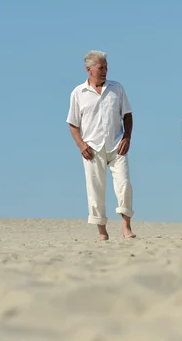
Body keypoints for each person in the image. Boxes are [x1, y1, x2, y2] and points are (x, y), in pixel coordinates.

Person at [66, 50, 135, 240]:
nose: (104, 71)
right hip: (92, 148)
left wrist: (127, 137)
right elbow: (73, 124)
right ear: (89, 69)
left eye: (106, 67)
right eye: (100, 67)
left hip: (116, 145)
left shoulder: (117, 88)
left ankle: (126, 226)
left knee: (124, 184)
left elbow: (127, 115)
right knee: (95, 189)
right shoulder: (78, 93)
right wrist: (81, 145)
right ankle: (102, 231)